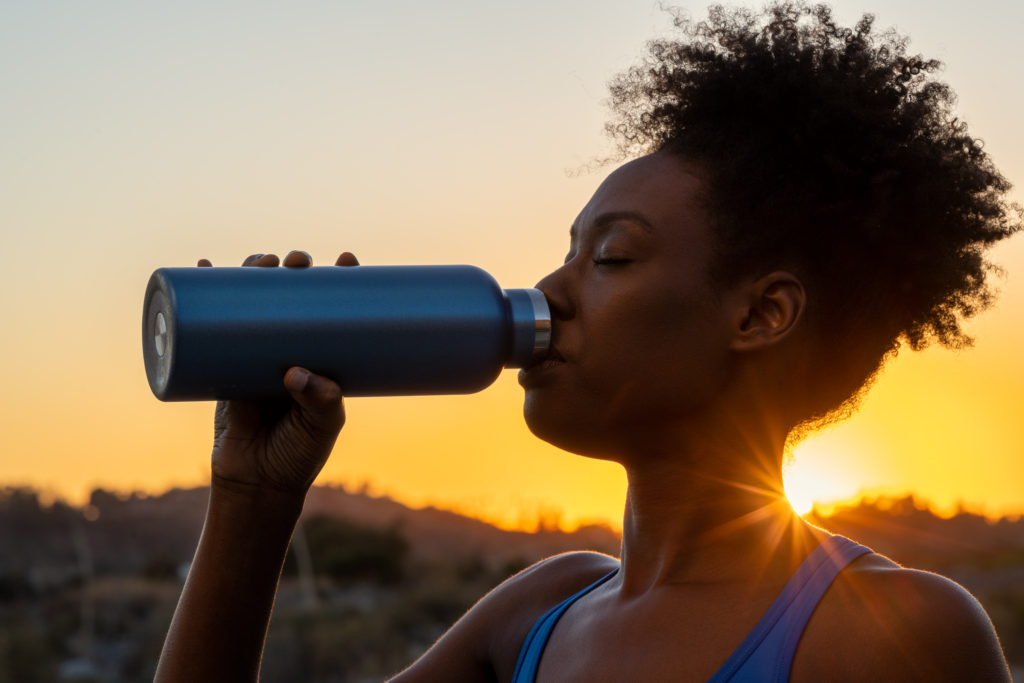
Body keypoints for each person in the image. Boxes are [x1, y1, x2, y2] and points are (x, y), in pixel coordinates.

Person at [156, 3, 1019, 681]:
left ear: (760, 315)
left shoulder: (890, 634)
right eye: (568, 251)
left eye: (611, 256)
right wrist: (251, 499)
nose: (553, 290)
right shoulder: (536, 616)